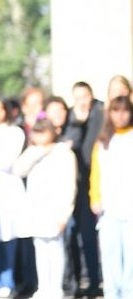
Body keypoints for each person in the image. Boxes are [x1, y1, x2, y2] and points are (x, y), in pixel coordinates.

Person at [13, 118, 76, 299]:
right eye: (37, 132)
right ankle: (44, 287)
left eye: (44, 131)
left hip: (56, 210)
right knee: (40, 249)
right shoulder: (32, 152)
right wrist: (38, 151)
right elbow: (18, 169)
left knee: (55, 248)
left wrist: (64, 214)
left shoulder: (64, 152)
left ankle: (56, 288)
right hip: (35, 210)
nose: (40, 135)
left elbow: (70, 185)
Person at [0, 97, 27, 299]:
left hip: (8, 188)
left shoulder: (15, 132)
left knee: (9, 235)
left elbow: (4, 160)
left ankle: (8, 280)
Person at [90, 95, 133, 298]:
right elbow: (96, 174)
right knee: (110, 256)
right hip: (109, 209)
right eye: (116, 110)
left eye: (125, 110)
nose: (120, 115)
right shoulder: (103, 141)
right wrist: (95, 198)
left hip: (130, 208)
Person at [67, 82, 104, 298]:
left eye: (85, 95)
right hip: (74, 184)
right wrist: (77, 122)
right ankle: (75, 282)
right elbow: (72, 143)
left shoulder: (100, 113)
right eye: (77, 96)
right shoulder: (72, 118)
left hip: (94, 184)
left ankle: (94, 280)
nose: (82, 100)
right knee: (73, 236)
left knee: (90, 236)